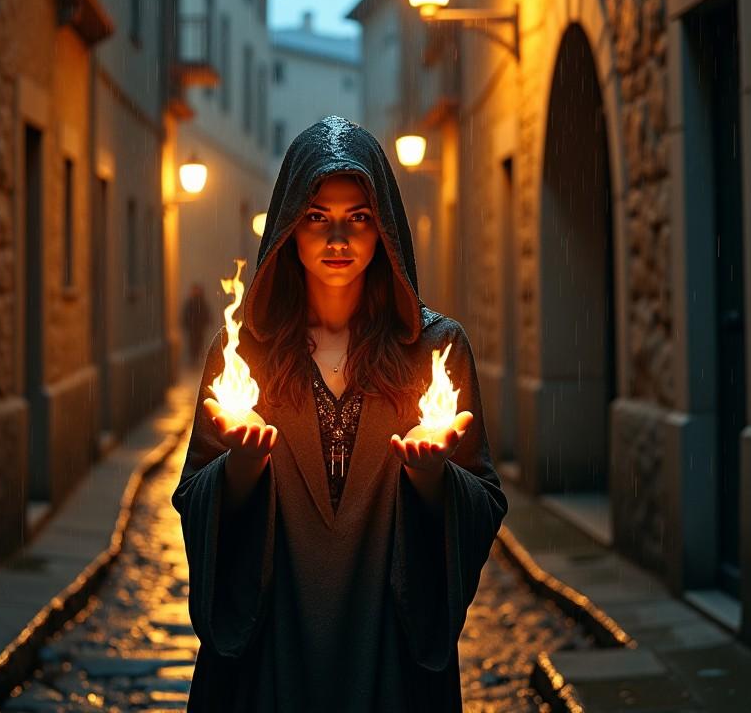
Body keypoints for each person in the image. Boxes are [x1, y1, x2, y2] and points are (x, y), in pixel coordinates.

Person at [172, 116, 508, 711]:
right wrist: (242, 470)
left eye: (358, 218)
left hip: (387, 648)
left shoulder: (435, 349)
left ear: (384, 231)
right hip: (271, 647)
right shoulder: (241, 352)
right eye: (316, 217)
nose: (337, 239)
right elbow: (195, 494)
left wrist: (434, 481)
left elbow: (482, 500)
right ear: (287, 228)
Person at [181, 282, 212, 367]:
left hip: (199, 329)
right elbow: (185, 315)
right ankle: (193, 362)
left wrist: (206, 322)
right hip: (192, 329)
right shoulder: (190, 303)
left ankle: (197, 361)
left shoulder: (201, 303)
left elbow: (206, 314)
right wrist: (186, 325)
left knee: (199, 345)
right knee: (192, 346)